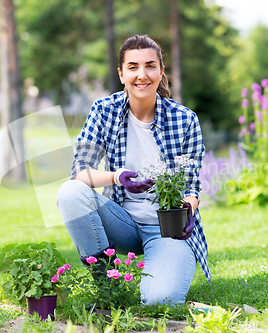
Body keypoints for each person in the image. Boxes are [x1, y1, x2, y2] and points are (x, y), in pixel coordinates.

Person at [57, 34, 209, 306]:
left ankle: (160, 274)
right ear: (121, 74)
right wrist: (117, 177)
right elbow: (80, 172)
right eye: (133, 67)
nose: (142, 75)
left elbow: (191, 185)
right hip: (122, 221)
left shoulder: (185, 119)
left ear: (161, 71)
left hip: (167, 228)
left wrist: (187, 210)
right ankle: (105, 288)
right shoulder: (105, 111)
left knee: (160, 301)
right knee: (70, 193)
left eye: (150, 66)